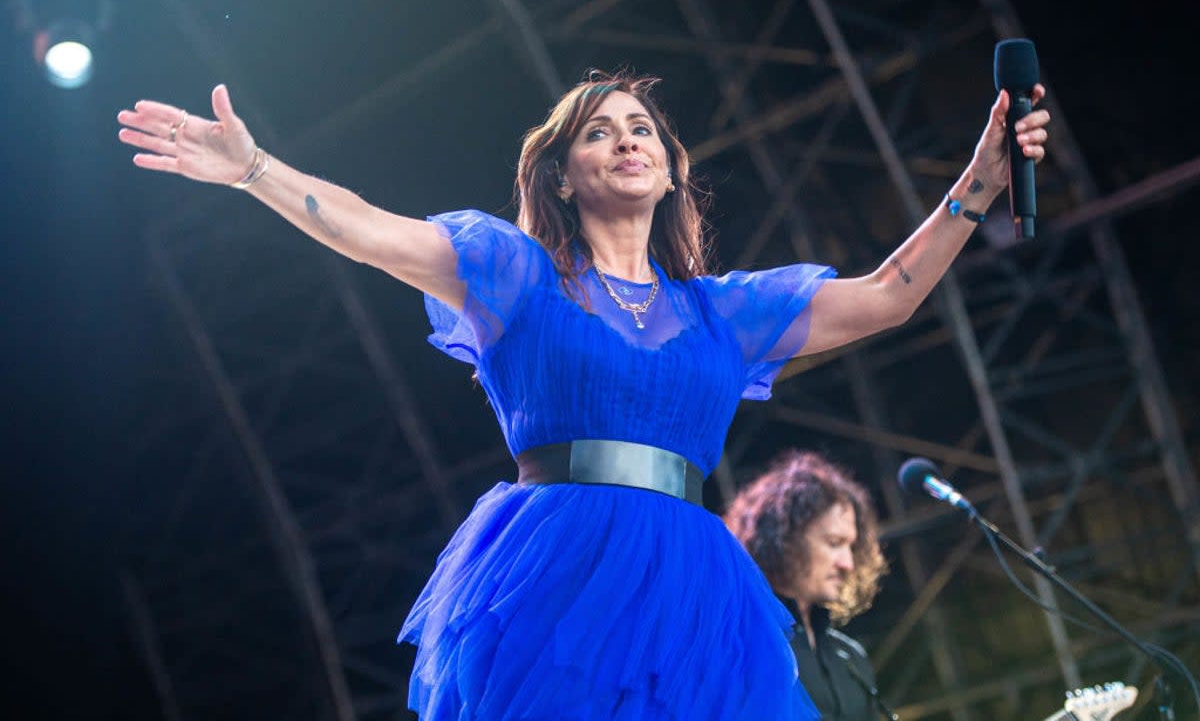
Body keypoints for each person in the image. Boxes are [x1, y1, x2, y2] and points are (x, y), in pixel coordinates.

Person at [116, 68, 1048, 720]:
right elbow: (369, 231)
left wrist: (983, 178)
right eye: (598, 131)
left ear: (673, 166)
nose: (626, 139)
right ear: (562, 174)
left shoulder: (726, 312)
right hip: (553, 565)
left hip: (692, 580)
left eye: (642, 127)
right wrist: (251, 169)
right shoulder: (512, 269)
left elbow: (890, 293)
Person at [725, 450, 896, 721]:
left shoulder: (851, 657)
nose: (847, 563)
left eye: (851, 547)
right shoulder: (738, 646)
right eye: (834, 543)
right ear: (784, 540)